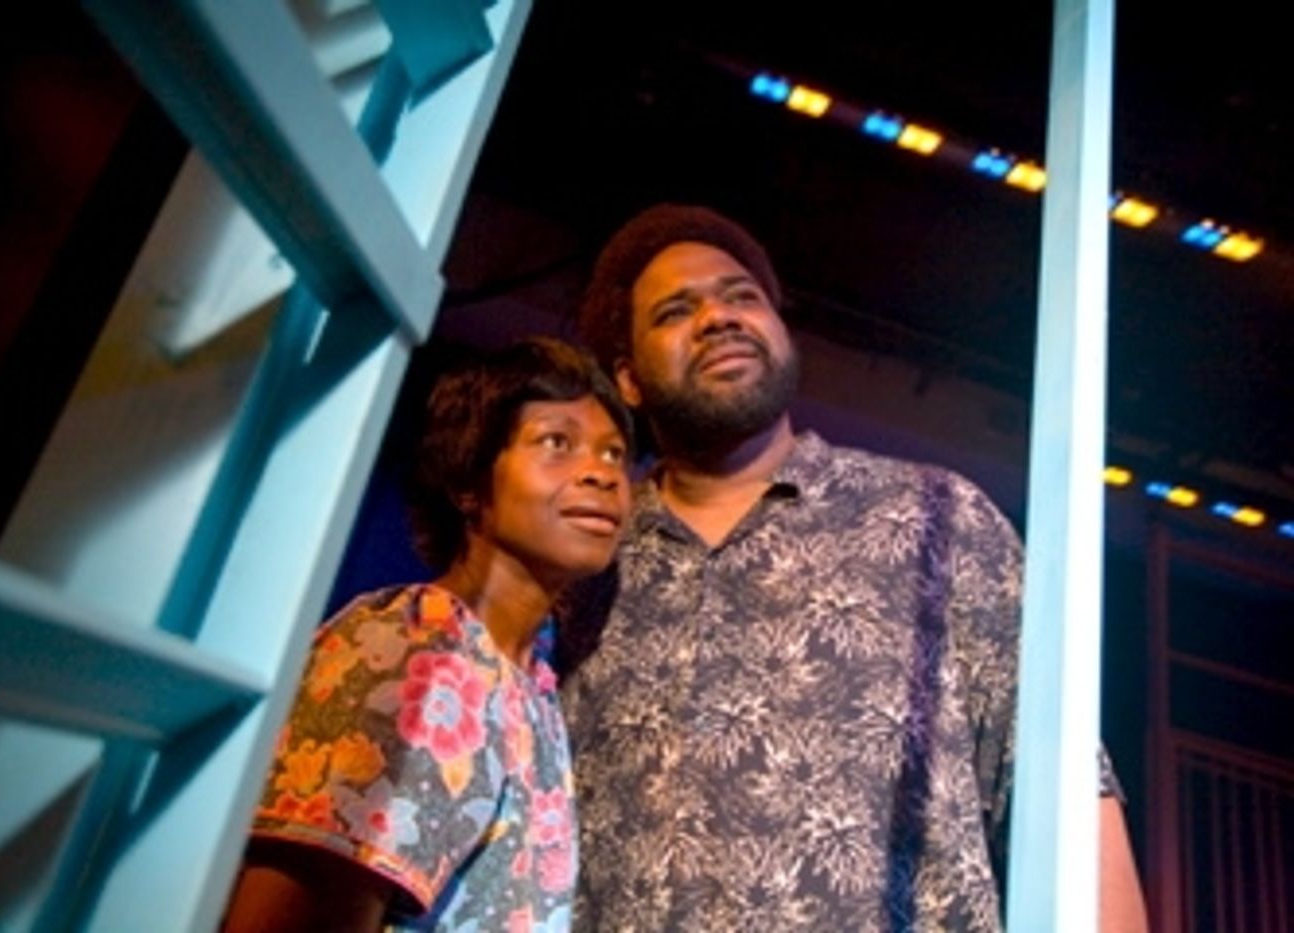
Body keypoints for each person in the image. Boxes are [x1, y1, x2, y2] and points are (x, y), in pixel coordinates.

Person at [559, 204, 1149, 930]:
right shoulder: (581, 568)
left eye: (742, 296)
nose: (718, 317)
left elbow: (1065, 785)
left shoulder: (936, 518)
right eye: (676, 311)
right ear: (627, 379)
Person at [223, 338, 634, 932]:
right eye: (555, 442)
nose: (602, 473)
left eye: (614, 453)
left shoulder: (533, 684)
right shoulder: (412, 647)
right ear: (468, 481)